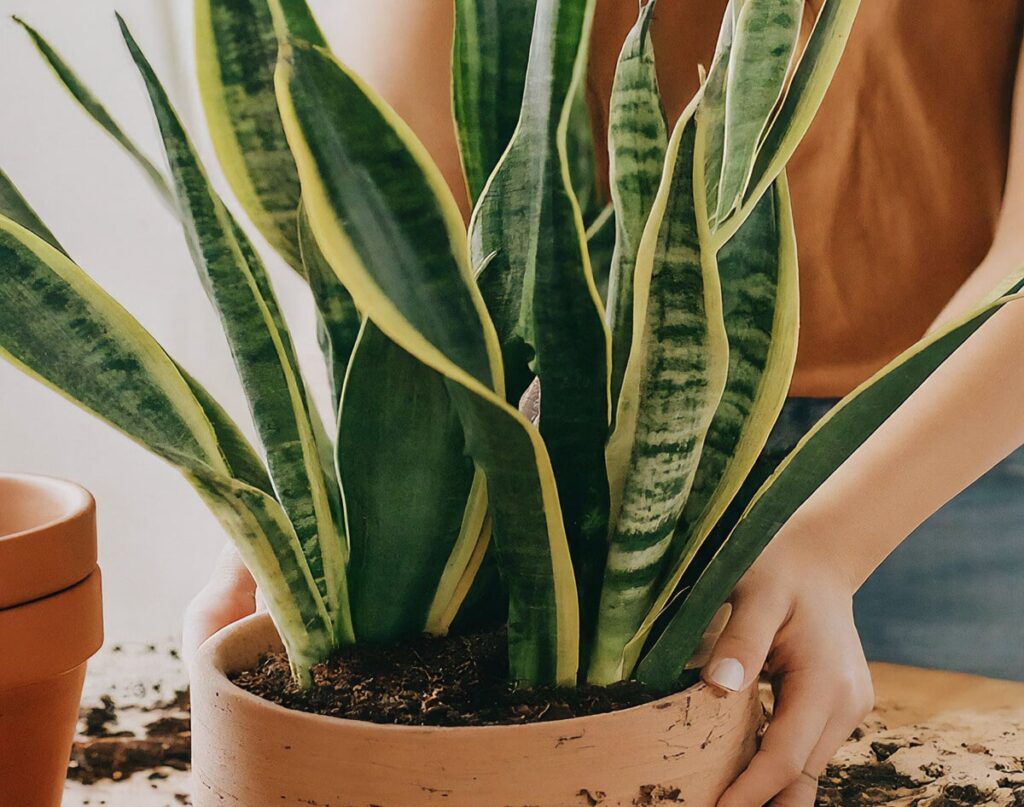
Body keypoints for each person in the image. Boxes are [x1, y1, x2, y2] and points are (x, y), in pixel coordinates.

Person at [185, 2, 1024, 804]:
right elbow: (403, 180)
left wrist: (836, 538)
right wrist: (350, 511)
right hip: (572, 429)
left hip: (944, 452)